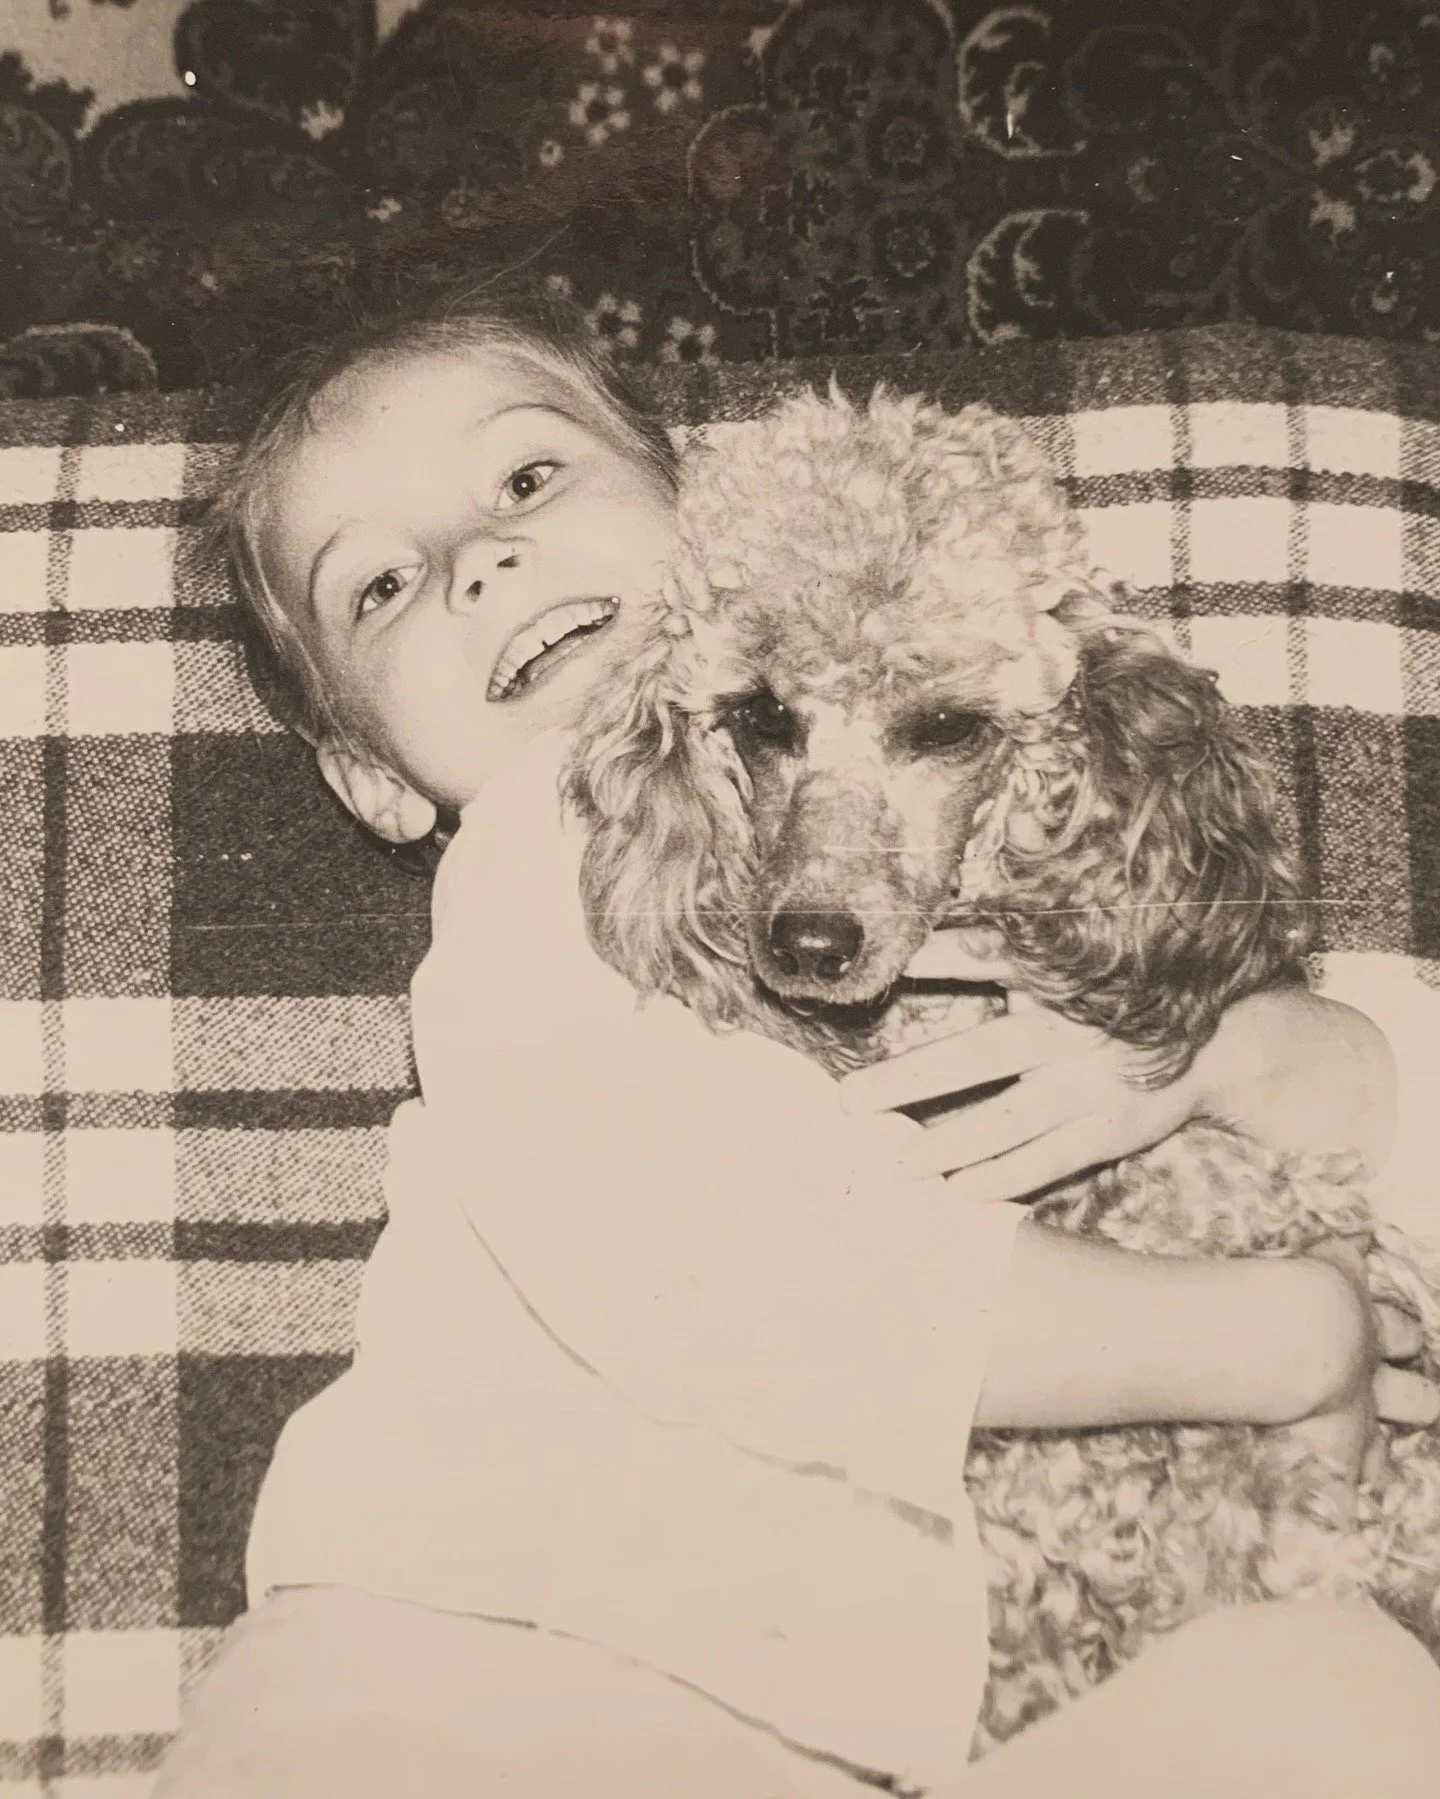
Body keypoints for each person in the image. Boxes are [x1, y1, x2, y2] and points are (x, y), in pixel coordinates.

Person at [157, 289, 1440, 1798]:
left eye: (526, 480)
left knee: (1341, 1702)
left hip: (903, 1716)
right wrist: (1276, 1335)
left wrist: (1219, 1046)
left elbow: (1372, 1098)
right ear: (374, 780)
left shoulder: (1027, 804)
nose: (477, 559)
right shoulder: (540, 866)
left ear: (717, 514)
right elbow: (745, 1279)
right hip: (485, 1645)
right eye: (379, 585)